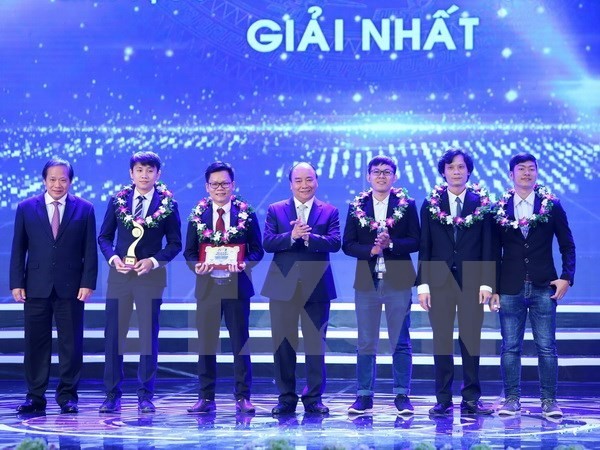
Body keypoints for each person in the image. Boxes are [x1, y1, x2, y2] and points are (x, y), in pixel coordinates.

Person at [490, 152, 576, 418]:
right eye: (521, 169)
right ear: (511, 175)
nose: (526, 173)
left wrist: (567, 277)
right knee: (510, 347)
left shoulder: (551, 205)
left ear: (537, 173)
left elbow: (567, 244)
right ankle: (511, 400)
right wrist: (493, 288)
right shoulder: (499, 207)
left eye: (531, 169)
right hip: (509, 287)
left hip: (543, 286)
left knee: (546, 347)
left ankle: (549, 401)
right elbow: (493, 251)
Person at [10, 157, 98, 414]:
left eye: (63, 179)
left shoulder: (85, 208)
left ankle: (68, 396)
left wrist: (88, 282)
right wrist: (17, 282)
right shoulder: (26, 208)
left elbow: (89, 251)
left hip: (72, 287)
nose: (58, 184)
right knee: (35, 343)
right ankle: (35, 396)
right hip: (35, 286)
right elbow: (19, 248)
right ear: (44, 179)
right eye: (53, 179)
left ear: (70, 181)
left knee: (71, 343)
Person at [98, 151, 182, 413]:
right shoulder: (117, 201)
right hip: (120, 277)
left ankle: (146, 395)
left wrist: (154, 261)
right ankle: (112, 394)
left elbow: (176, 243)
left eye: (149, 171)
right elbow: (104, 237)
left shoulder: (168, 204)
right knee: (114, 335)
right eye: (139, 170)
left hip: (150, 279)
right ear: (131, 173)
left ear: (158, 174)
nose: (144, 175)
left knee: (148, 336)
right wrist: (113, 259)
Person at [417, 148, 495, 416]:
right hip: (438, 281)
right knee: (441, 340)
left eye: (461, 167)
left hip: (474, 281)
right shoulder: (430, 204)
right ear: (443, 172)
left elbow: (489, 244)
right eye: (451, 167)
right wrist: (423, 284)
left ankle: (472, 398)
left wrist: (487, 282)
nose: (456, 172)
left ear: (469, 171)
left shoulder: (481, 202)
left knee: (471, 339)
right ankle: (443, 399)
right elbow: (425, 245)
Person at [342, 155, 420, 415]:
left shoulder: (406, 205)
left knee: (400, 340)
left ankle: (402, 395)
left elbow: (416, 240)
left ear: (395, 177)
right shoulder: (357, 206)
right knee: (366, 340)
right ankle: (364, 396)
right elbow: (348, 244)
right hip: (366, 282)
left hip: (398, 280)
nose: (381, 176)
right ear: (368, 176)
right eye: (376, 172)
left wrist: (392, 245)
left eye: (387, 172)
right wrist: (372, 249)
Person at [184, 162, 264, 415]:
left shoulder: (246, 213)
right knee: (206, 344)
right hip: (207, 288)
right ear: (207, 187)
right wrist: (196, 266)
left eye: (225, 183)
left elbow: (257, 249)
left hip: (237, 287)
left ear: (233, 185)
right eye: (215, 184)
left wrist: (244, 264)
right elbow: (188, 252)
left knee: (240, 343)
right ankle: (206, 397)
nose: (220, 188)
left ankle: (243, 397)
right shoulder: (198, 214)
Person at [262, 162, 341, 415]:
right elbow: (267, 242)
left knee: (315, 346)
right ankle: (286, 397)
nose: (304, 185)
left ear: (316, 181)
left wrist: (310, 237)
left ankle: (314, 398)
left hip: (317, 288)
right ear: (291, 183)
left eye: (309, 179)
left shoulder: (329, 211)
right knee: (283, 345)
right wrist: (292, 236)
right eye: (298, 180)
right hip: (282, 287)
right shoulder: (276, 210)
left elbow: (335, 242)